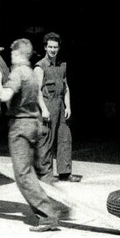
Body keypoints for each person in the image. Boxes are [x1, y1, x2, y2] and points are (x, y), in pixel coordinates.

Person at [0, 39, 71, 232]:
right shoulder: (31, 73)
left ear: (18, 55)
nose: (11, 58)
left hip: (21, 126)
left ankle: (48, 216)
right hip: (35, 124)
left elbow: (5, 96)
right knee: (41, 171)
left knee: (23, 175)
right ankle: (58, 204)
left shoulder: (18, 73)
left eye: (13, 54)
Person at [35, 31, 81, 182]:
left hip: (60, 105)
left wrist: (68, 107)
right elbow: (36, 92)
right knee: (46, 140)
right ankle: (45, 174)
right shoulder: (40, 67)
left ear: (59, 48)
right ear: (45, 48)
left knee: (64, 138)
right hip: (47, 104)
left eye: (55, 47)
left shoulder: (62, 65)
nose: (53, 50)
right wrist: (44, 109)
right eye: (50, 47)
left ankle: (65, 173)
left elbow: (66, 87)